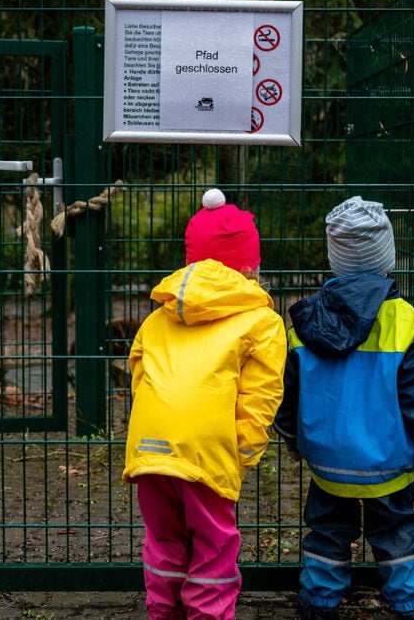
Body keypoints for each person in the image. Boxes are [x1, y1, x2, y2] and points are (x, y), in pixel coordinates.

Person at [274, 196, 414, 620]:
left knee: (328, 528)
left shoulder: (305, 322)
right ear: (387, 259)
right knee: (395, 529)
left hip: (328, 459)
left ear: (335, 260)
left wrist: (290, 435)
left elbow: (290, 390)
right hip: (388, 460)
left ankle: (319, 601)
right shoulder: (411, 324)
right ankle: (411, 603)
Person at [123, 188, 287, 620]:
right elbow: (262, 395)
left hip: (149, 445)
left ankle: (163, 612)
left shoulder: (159, 314)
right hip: (209, 450)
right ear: (252, 264)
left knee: (163, 539)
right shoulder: (262, 321)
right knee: (214, 546)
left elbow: (139, 372)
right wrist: (243, 453)